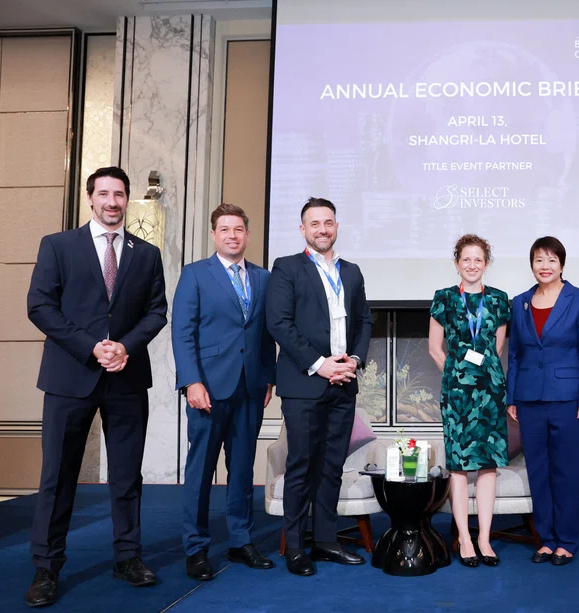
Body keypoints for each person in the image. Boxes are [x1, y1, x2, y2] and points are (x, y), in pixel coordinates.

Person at [24, 166, 168, 607]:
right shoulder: (58, 245)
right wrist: (92, 348)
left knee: (127, 477)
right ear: (90, 199)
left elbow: (157, 311)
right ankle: (46, 568)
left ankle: (128, 557)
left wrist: (124, 346)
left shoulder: (146, 253)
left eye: (119, 194)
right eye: (103, 193)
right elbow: (40, 306)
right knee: (58, 477)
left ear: (127, 200)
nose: (112, 201)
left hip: (126, 378)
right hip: (70, 376)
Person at [266, 197, 372, 577]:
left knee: (331, 466)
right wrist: (320, 365)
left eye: (328, 223)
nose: (323, 229)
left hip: (344, 383)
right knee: (301, 466)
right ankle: (295, 546)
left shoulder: (353, 271)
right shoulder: (287, 268)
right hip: (304, 384)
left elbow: (364, 323)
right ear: (303, 230)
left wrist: (353, 362)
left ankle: (326, 540)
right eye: (315, 224)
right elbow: (279, 324)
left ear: (337, 226)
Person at [172, 203, 277, 581]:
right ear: (214, 235)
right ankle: (196, 547)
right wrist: (191, 381)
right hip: (208, 388)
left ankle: (240, 539)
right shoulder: (195, 275)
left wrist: (268, 377)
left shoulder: (264, 279)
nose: (232, 235)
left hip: (250, 387)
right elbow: (182, 333)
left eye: (238, 229)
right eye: (225, 229)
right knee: (200, 471)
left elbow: (265, 333)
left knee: (242, 469)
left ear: (247, 235)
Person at [505, 237, 579, 566]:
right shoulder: (520, 302)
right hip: (529, 400)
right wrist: (512, 396)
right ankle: (545, 540)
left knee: (566, 472)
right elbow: (514, 354)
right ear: (531, 265)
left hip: (570, 401)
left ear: (562, 264)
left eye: (551, 260)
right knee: (539, 472)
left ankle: (567, 540)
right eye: (538, 260)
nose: (545, 266)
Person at [428, 234, 511, 568]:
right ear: (457, 263)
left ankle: (484, 538)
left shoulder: (499, 300)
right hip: (457, 395)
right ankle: (463, 537)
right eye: (466, 259)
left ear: (486, 263)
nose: (472, 265)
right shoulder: (444, 298)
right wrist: (457, 373)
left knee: (488, 465)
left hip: (490, 392)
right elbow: (435, 347)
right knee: (460, 467)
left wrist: (480, 375)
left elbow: (497, 348)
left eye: (478, 260)